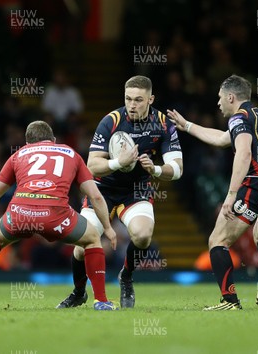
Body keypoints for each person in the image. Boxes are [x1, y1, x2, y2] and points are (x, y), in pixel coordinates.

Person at [0, 120, 118, 310]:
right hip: (55, 214)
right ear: (53, 140)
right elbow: (96, 197)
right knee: (92, 239)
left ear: (27, 143)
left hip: (20, 212)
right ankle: (100, 300)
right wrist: (108, 228)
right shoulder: (70, 153)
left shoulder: (18, 154)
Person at [167, 75, 258, 310]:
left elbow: (244, 154)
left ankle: (229, 300)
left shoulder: (239, 117)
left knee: (217, 240)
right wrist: (187, 126)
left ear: (231, 97)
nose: (218, 103)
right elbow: (223, 139)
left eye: (219, 98)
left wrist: (231, 195)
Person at [57, 75, 183, 309]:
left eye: (138, 100)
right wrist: (119, 163)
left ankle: (126, 276)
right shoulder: (111, 121)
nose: (132, 105)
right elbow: (92, 165)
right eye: (128, 99)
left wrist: (154, 169)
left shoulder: (164, 124)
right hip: (102, 189)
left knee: (143, 236)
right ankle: (78, 292)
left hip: (136, 190)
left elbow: (177, 169)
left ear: (150, 99)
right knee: (83, 243)